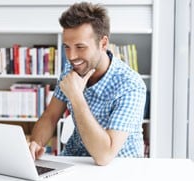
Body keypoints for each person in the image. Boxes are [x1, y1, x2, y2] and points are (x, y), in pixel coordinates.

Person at [29, 2, 146, 166]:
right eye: (67, 47)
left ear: (103, 44)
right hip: (74, 160)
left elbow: (104, 156)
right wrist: (36, 143)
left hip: (118, 166)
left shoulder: (130, 85)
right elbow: (50, 116)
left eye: (80, 47)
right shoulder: (72, 69)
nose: (71, 56)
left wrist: (76, 96)